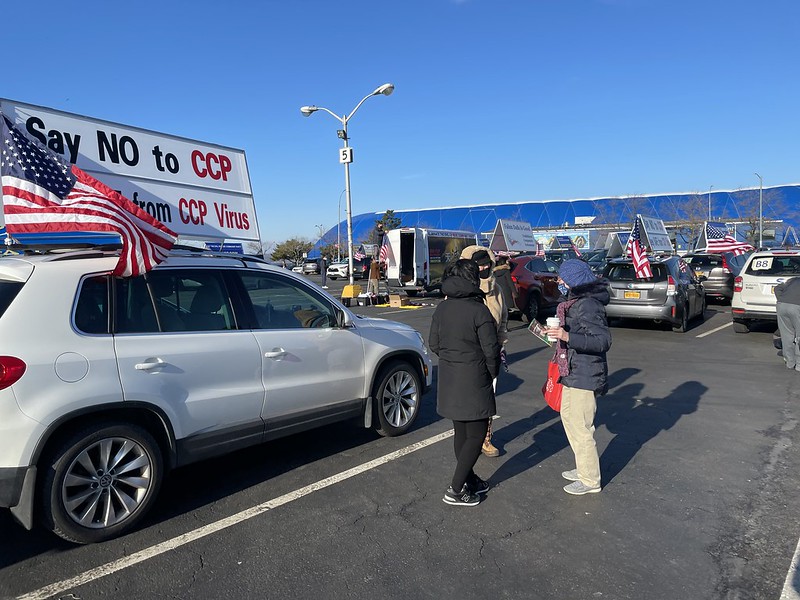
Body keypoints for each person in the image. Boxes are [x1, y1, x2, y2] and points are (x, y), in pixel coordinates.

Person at [429, 259, 501, 506]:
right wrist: (491, 372)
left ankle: (469, 479)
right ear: (472, 279)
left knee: (461, 430)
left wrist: (452, 358)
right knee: (477, 432)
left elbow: (434, 344)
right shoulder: (478, 310)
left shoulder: (442, 308)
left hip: (450, 375)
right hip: (474, 375)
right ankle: (456, 488)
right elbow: (491, 349)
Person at [543, 259, 612, 495]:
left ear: (574, 280)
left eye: (562, 278)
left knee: (581, 426)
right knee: (569, 419)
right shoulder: (574, 301)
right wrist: (554, 334)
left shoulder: (588, 305)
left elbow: (603, 341)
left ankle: (590, 480)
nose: (559, 281)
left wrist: (567, 336)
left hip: (585, 372)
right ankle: (583, 468)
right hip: (572, 370)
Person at [460, 246, 507, 457]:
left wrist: (501, 343)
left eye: (487, 262)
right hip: (468, 355)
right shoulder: (461, 290)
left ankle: (485, 439)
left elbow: (503, 319)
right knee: (468, 399)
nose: (485, 267)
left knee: (488, 398)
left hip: (491, 352)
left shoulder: (496, 290)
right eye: (479, 264)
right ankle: (468, 438)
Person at [775, 276, 800, 371]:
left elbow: (777, 288)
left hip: (782, 305)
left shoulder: (793, 280)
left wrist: (781, 299)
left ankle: (790, 362)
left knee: (786, 335)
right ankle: (799, 365)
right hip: (797, 308)